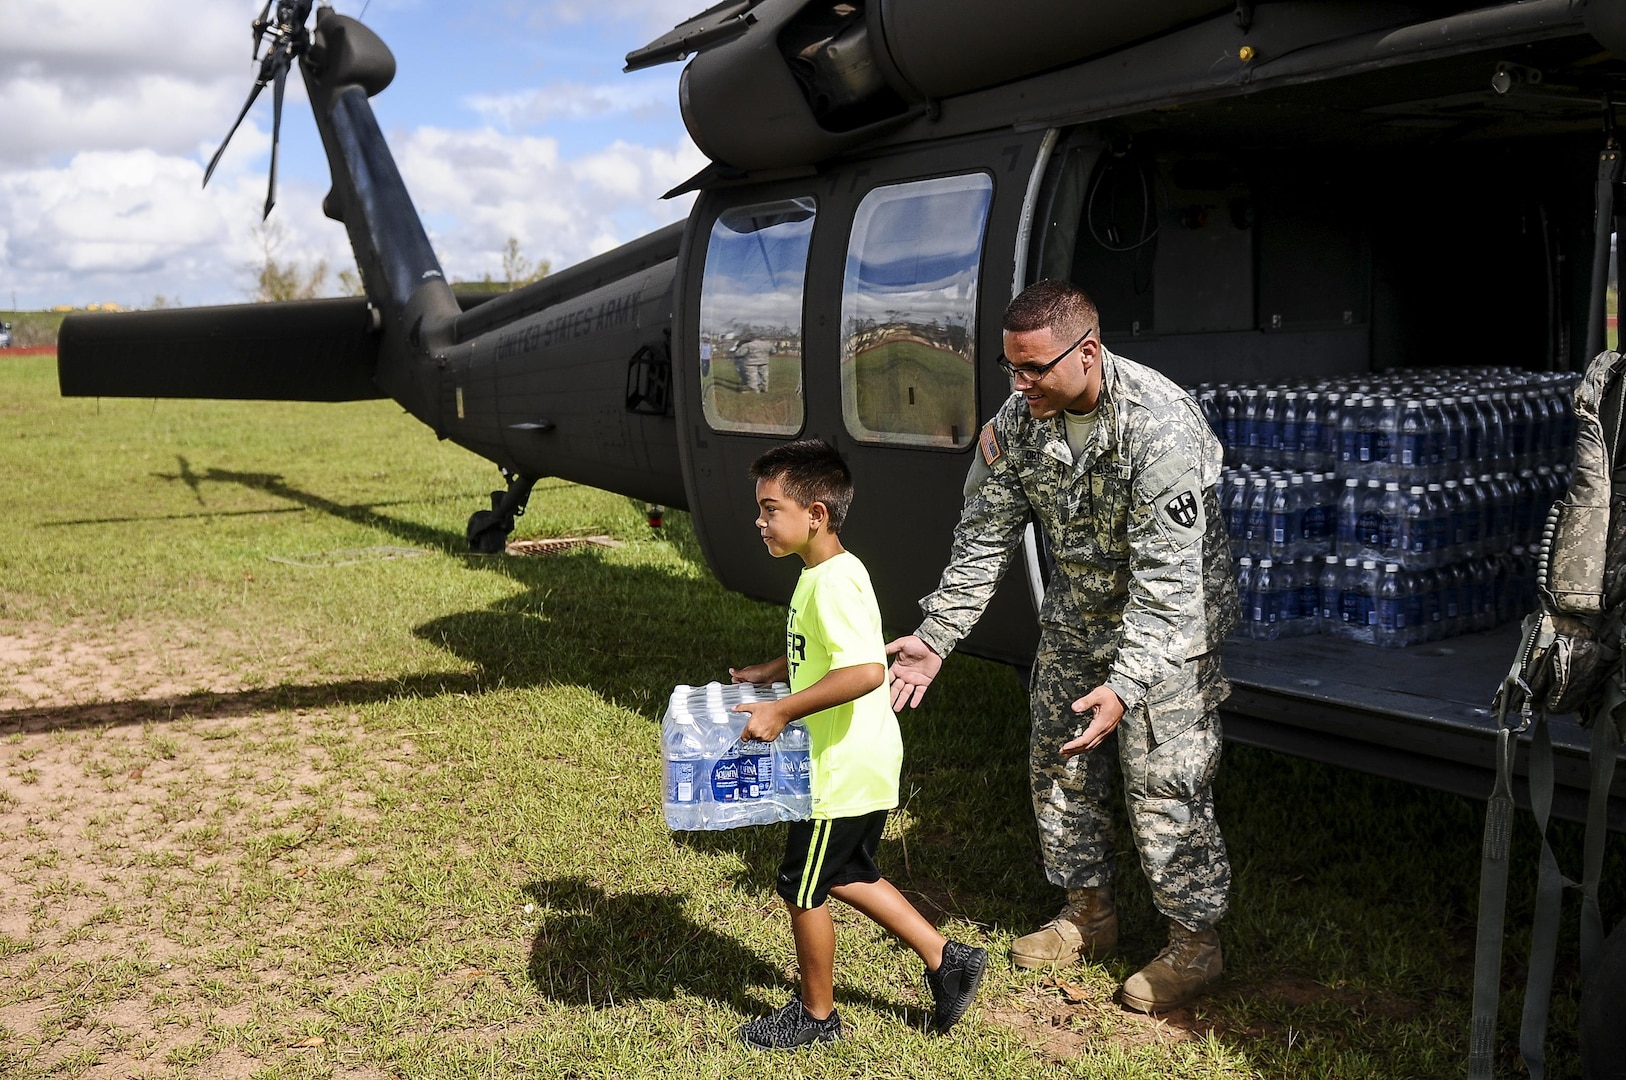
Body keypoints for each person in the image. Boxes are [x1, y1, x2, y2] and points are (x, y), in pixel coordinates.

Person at [886, 279, 1239, 1013]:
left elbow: (1169, 587)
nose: (1020, 385)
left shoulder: (1159, 426)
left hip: (1169, 635)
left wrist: (1127, 684)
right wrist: (938, 636)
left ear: (1088, 351)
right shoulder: (1019, 421)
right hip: (1079, 620)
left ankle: (1194, 945)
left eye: (1035, 368)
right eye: (1010, 367)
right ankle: (1090, 914)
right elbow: (983, 538)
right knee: (1059, 768)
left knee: (1165, 783)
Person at [729, 439, 988, 1049]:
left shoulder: (833, 584)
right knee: (845, 872)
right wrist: (776, 670)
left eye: (770, 509)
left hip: (838, 767)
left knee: (801, 884)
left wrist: (782, 711)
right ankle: (947, 960)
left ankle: (817, 1018)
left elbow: (866, 672)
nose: (759, 521)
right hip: (860, 758)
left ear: (815, 515)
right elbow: (830, 657)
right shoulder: (824, 572)